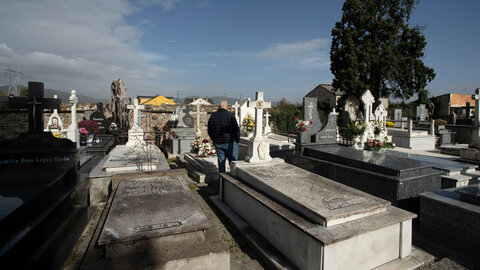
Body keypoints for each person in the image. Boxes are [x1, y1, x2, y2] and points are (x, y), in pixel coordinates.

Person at [208, 100, 240, 173]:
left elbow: (210, 130)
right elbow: (236, 129)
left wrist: (214, 139)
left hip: (218, 143)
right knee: (233, 163)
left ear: (219, 107)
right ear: (227, 107)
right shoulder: (230, 116)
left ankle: (222, 181)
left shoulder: (213, 116)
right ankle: (233, 179)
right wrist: (237, 140)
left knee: (221, 163)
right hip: (230, 142)